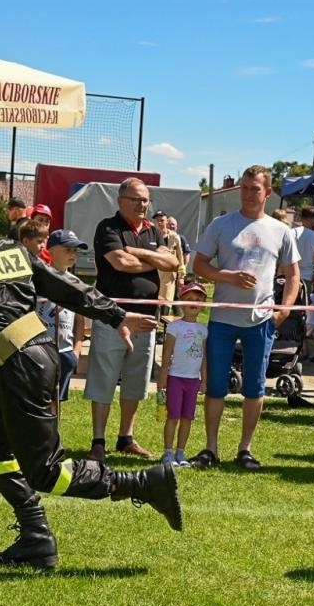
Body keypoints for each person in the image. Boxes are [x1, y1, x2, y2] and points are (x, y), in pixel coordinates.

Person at [0, 180, 179, 570]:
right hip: (31, 358)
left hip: (19, 365)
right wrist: (115, 313)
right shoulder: (6, 247)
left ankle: (144, 483)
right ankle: (36, 540)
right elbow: (65, 286)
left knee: (46, 471)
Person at [188, 165, 301, 470]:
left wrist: (285, 307)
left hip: (261, 321)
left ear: (268, 192)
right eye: (245, 187)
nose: (249, 193)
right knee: (214, 385)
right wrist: (226, 276)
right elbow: (198, 264)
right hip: (223, 318)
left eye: (256, 188)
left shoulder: (281, 231)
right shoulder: (220, 225)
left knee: (255, 386)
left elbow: (293, 276)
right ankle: (210, 448)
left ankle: (245, 449)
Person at [87, 178, 179, 461]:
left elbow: (173, 264)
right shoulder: (108, 227)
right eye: (137, 199)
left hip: (148, 318)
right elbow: (119, 263)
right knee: (104, 379)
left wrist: (139, 252)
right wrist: (154, 258)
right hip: (113, 317)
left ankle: (125, 437)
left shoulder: (153, 230)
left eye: (146, 200)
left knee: (136, 382)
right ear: (121, 200)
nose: (143, 205)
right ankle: (98, 440)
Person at [157, 280, 208, 467]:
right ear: (181, 302)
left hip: (193, 381)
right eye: (189, 299)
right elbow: (166, 356)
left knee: (188, 417)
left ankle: (181, 452)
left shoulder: (203, 330)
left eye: (197, 299)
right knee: (173, 417)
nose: (193, 303)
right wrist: (162, 382)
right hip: (175, 379)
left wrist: (204, 380)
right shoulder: (174, 327)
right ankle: (168, 452)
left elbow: (203, 357)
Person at [42, 229, 86, 401]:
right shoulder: (40, 280)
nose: (72, 254)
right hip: (42, 350)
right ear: (51, 251)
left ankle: (54, 429)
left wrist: (76, 350)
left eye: (75, 250)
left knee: (57, 402)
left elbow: (80, 320)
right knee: (40, 399)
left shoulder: (77, 284)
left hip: (66, 351)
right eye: (67, 249)